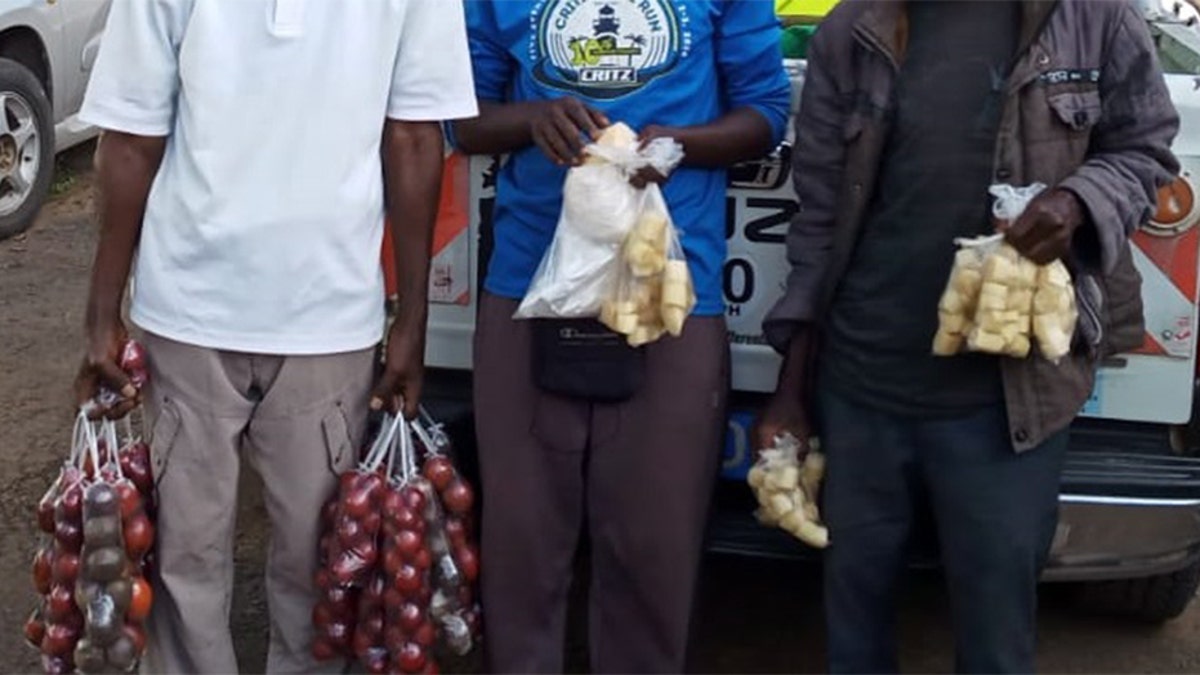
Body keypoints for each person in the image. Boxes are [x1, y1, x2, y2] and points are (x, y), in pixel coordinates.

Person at [757, 1, 1179, 672]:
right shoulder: (855, 29)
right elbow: (819, 220)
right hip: (862, 386)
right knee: (854, 626)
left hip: (1007, 399)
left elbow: (1145, 149)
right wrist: (792, 388)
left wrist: (1076, 201)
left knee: (994, 640)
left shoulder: (1091, 18)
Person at [73, 1, 477, 671]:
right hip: (189, 312)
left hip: (330, 315)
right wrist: (101, 313)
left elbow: (414, 134)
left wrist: (411, 320)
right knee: (185, 553)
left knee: (320, 559)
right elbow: (131, 135)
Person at [450, 1, 791, 671]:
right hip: (530, 285)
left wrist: (679, 145)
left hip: (670, 289)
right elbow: (461, 116)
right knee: (523, 543)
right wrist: (532, 118)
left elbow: (765, 113)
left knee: (651, 548)